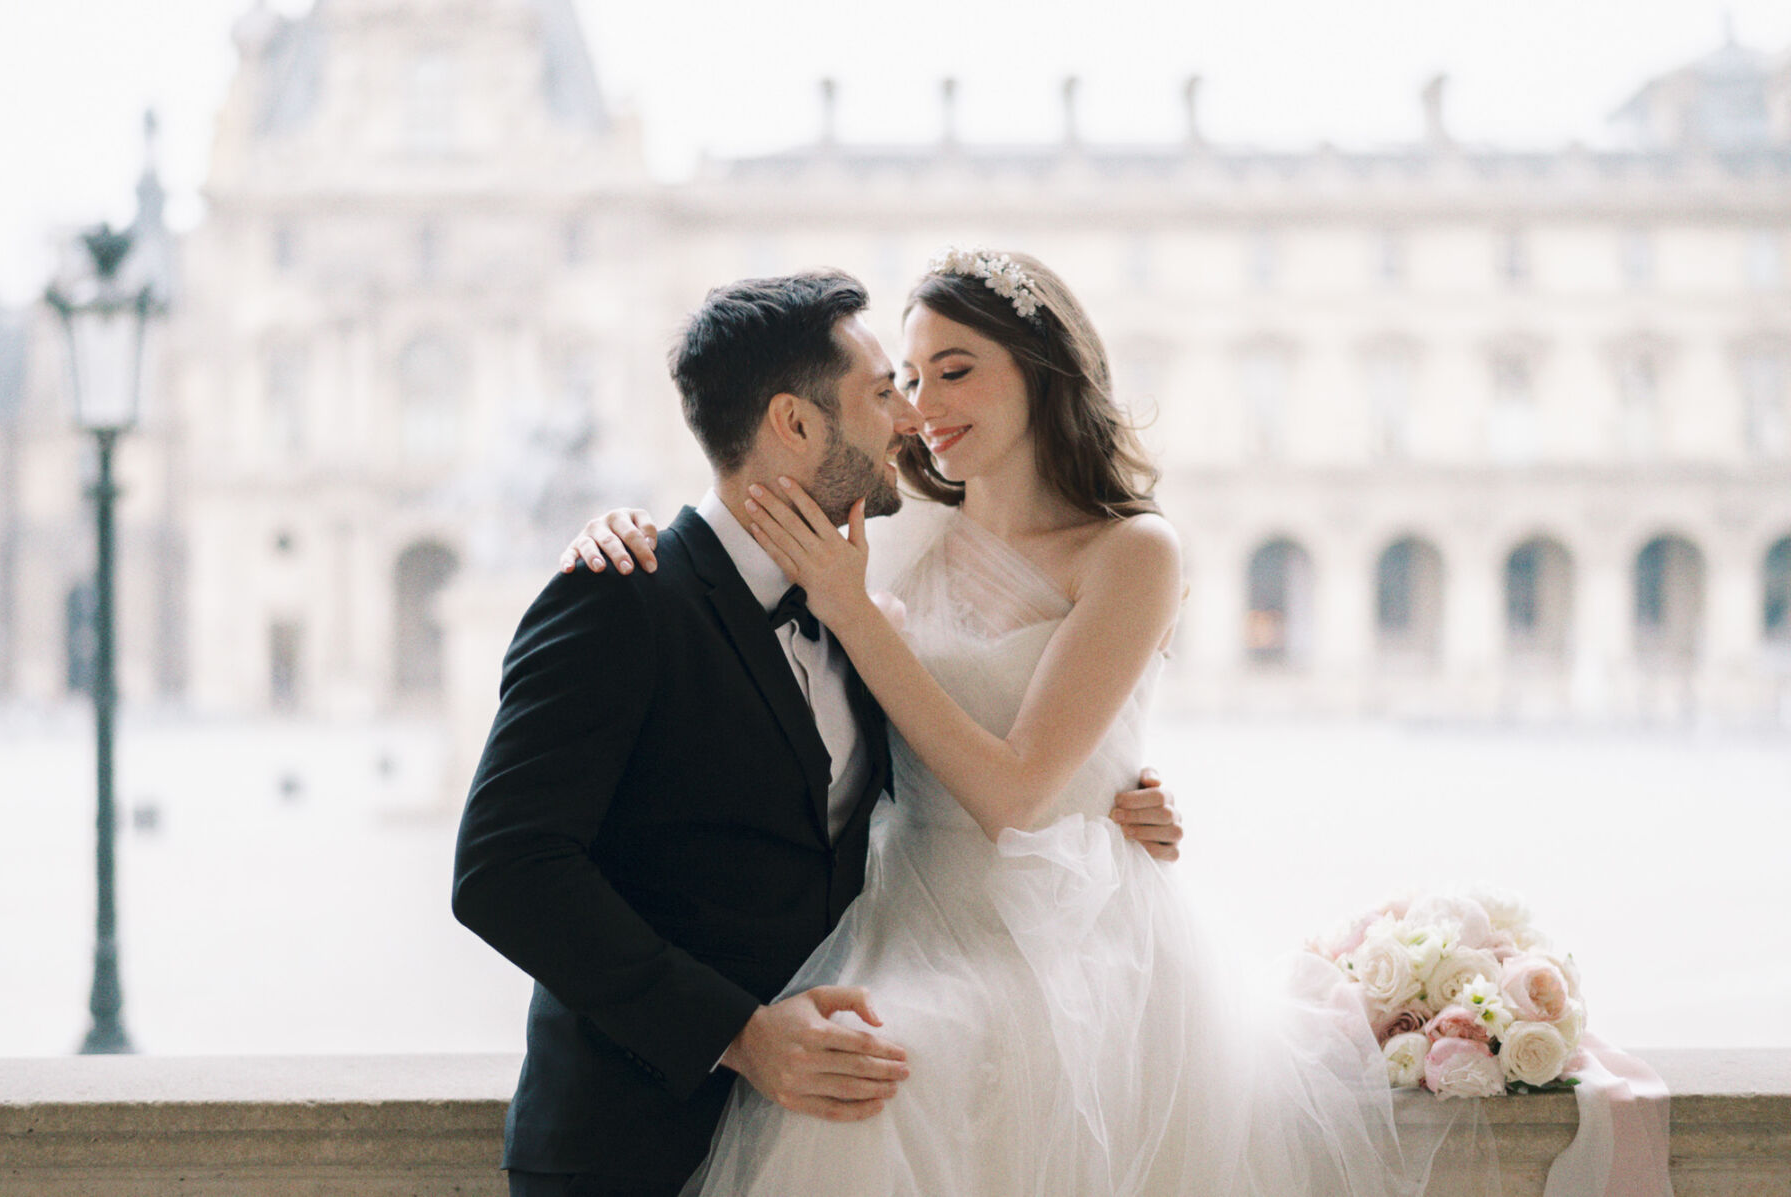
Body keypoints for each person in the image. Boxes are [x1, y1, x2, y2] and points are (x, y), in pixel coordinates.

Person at [565, 250, 1448, 1195]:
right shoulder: (895, 524)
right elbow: (743, 524)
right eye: (906, 378)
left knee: (893, 1083)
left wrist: (862, 616)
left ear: (1042, 368)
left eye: (956, 369)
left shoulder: (1132, 550)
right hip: (899, 903)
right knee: (852, 1073)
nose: (922, 404)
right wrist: (620, 531)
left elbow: (1020, 793)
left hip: (1053, 927)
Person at [451, 269, 1184, 1197]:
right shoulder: (624, 595)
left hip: (848, 1084)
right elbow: (504, 869)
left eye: (939, 378)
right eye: (891, 389)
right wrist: (742, 1034)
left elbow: (983, 729)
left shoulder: (866, 576)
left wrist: (1107, 792)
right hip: (628, 1142)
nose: (912, 418)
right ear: (796, 425)